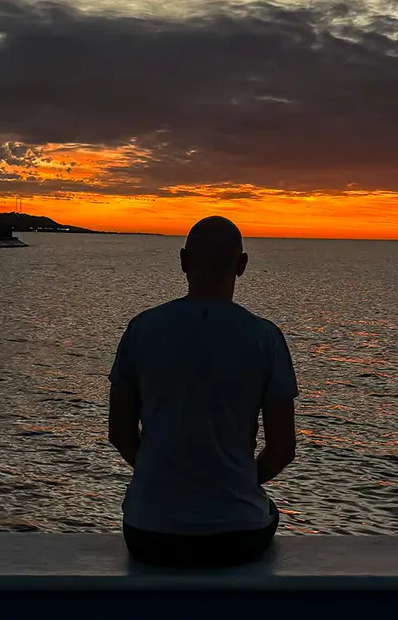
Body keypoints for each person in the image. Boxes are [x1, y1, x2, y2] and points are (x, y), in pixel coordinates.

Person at [107, 215, 298, 568]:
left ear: (183, 261)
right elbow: (283, 449)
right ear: (241, 265)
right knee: (265, 511)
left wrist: (160, 473)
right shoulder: (265, 338)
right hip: (235, 537)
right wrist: (234, 479)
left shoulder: (141, 330)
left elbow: (119, 433)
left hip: (150, 533)